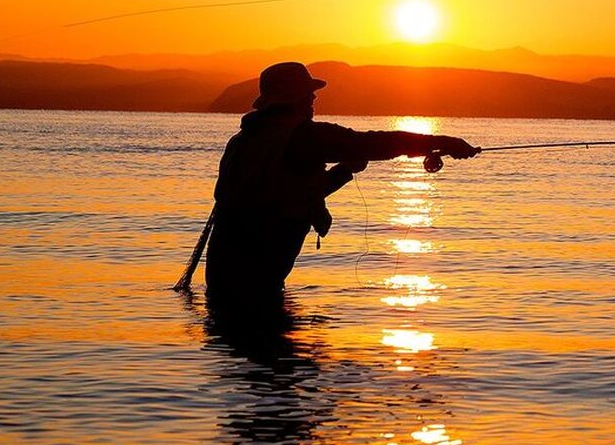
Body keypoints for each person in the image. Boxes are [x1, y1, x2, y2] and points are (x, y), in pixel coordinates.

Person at [205, 62, 479, 298]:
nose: (313, 98)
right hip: (255, 278)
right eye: (308, 93)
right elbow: (372, 143)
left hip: (223, 273)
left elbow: (287, 196)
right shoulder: (304, 136)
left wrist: (344, 171)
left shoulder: (242, 141)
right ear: (294, 98)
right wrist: (443, 142)